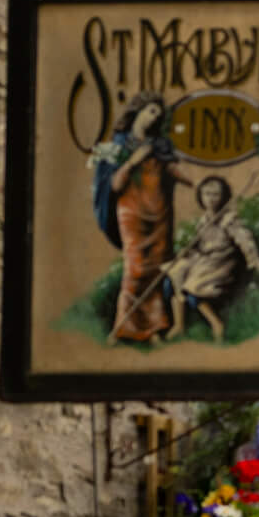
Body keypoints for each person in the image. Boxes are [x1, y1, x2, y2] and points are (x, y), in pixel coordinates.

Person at [95, 93, 181, 343]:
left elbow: (171, 170)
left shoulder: (160, 145)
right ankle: (123, 326)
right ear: (138, 111)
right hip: (132, 212)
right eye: (151, 111)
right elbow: (114, 185)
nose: (154, 118)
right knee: (135, 269)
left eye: (158, 115)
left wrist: (198, 184)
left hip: (159, 214)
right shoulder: (118, 145)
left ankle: (154, 329)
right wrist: (133, 161)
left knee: (155, 271)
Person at [165, 175, 259, 343]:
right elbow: (200, 243)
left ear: (223, 197)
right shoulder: (204, 219)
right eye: (206, 194)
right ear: (201, 197)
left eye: (215, 194)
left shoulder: (229, 219)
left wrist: (254, 260)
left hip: (221, 263)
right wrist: (188, 250)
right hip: (203, 259)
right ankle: (179, 325)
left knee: (192, 287)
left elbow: (244, 240)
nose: (210, 199)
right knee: (173, 275)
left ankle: (216, 324)